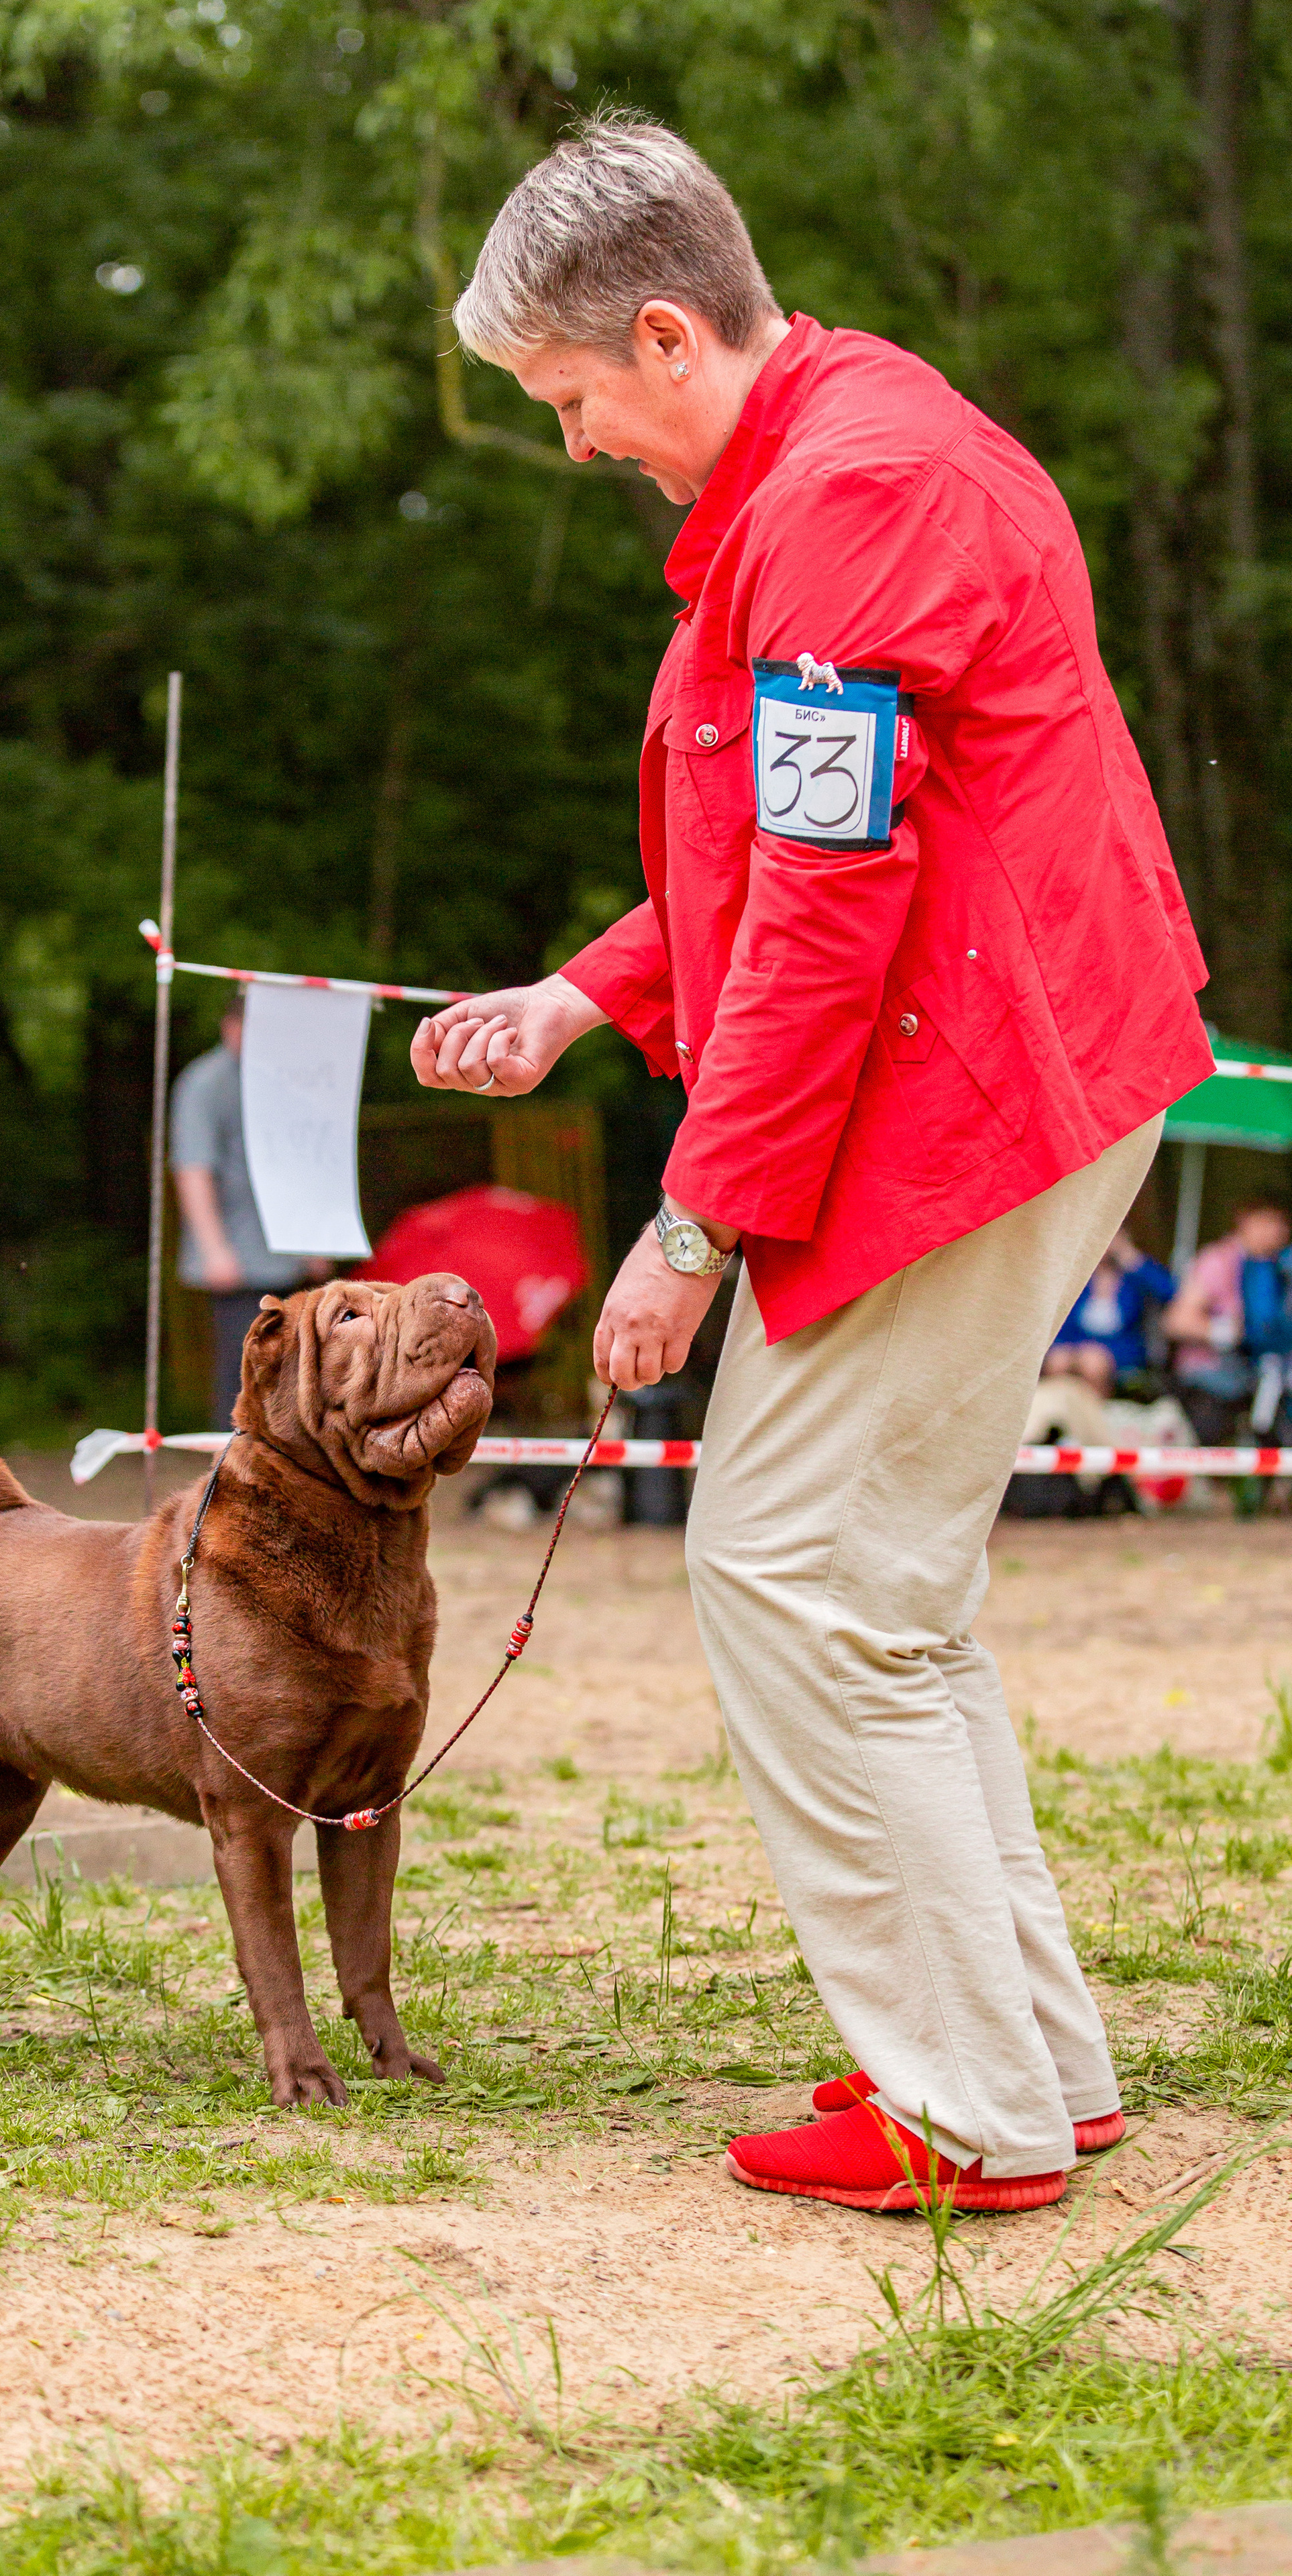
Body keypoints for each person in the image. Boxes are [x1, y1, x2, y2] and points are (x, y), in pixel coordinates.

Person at [413, 111, 1213, 2214]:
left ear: (663, 335)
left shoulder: (849, 501)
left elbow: (835, 898)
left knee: (787, 1569)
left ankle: (962, 2110)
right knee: (888, 1594)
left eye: (570, 401)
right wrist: (591, 995)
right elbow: (778, 839)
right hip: (1011, 1060)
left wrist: (688, 1225)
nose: (576, 446)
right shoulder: (839, 448)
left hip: (984, 1088)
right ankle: (1027, 2061)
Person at [170, 1002, 323, 1428]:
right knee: (243, 1378)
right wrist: (214, 1249)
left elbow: (302, 1163)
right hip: (237, 1263)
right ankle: (234, 1466)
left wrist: (312, 1241)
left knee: (292, 1373)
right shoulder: (203, 1085)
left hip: (285, 1257)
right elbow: (193, 1169)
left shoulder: (281, 1081)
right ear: (231, 1027)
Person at [1162, 1195, 1292, 1444]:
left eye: (1283, 1225)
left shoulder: (1279, 1266)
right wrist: (1222, 1331)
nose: (1280, 1232)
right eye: (1271, 1222)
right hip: (1208, 1376)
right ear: (1246, 1221)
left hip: (1258, 1377)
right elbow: (1177, 1320)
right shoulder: (1219, 1260)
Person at [1044, 1229, 1176, 1396]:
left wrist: (1131, 1257)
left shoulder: (1133, 1278)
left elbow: (1169, 1291)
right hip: (1076, 1344)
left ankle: (1094, 1417)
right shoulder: (1079, 1278)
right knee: (1057, 1361)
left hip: (1121, 1348)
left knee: (1093, 1362)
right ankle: (1062, 1415)